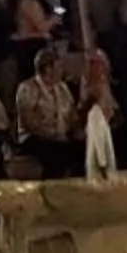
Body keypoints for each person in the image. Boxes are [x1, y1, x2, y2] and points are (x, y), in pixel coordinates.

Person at [15, 48, 82, 178]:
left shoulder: (62, 88)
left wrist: (78, 128)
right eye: (59, 66)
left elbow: (72, 115)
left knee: (81, 149)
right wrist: (53, 135)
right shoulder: (27, 88)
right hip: (35, 137)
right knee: (57, 153)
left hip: (61, 136)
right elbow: (29, 123)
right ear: (48, 69)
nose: (62, 70)